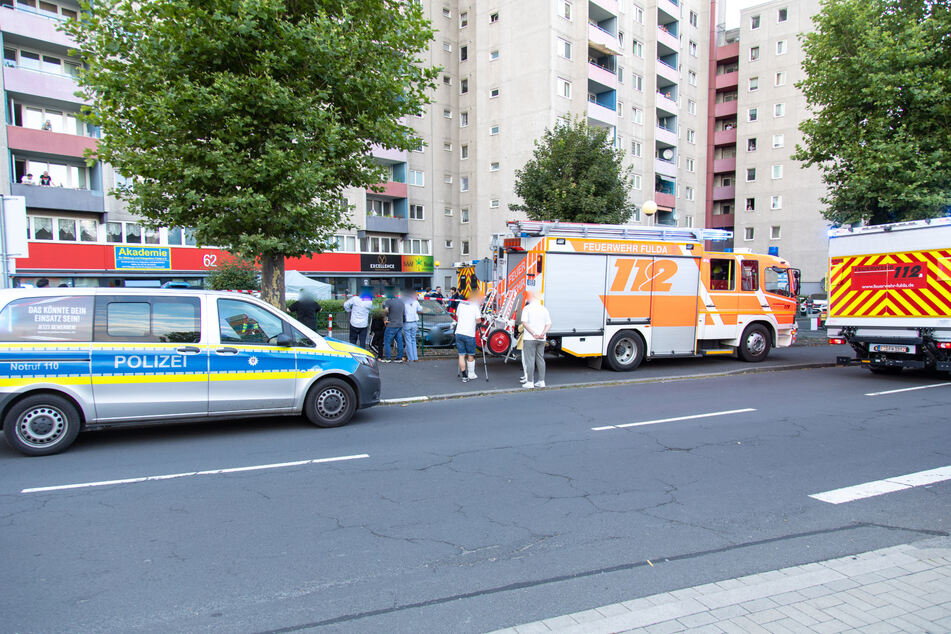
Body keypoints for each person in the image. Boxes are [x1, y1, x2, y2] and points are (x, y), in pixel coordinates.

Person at [520, 289, 552, 389]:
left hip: (530, 338)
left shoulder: (527, 308)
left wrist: (534, 333)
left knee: (530, 360)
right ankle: (541, 381)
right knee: (540, 359)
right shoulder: (544, 309)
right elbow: (549, 324)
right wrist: (542, 333)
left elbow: (524, 323)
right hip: (541, 339)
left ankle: (530, 382)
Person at [455, 291, 483, 382]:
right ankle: (471, 374)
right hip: (469, 334)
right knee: (471, 354)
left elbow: (457, 317)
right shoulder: (475, 306)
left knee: (461, 355)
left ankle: (464, 376)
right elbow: (478, 320)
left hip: (459, 332)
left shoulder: (460, 305)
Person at [381, 288, 405, 363]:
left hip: (391, 324)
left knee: (387, 341)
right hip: (400, 324)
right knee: (399, 341)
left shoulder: (388, 301)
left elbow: (386, 310)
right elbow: (403, 313)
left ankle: (388, 357)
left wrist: (385, 319)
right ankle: (399, 358)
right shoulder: (401, 302)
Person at [401, 289, 422, 362]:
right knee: (413, 340)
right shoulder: (415, 302)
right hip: (414, 322)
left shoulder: (404, 302)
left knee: (408, 341)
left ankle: (410, 358)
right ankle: (415, 357)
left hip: (407, 322)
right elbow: (420, 309)